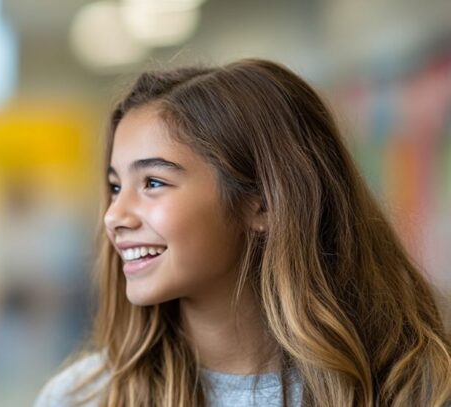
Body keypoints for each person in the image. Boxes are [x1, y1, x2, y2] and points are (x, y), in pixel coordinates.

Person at [36, 59, 451, 406]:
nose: (114, 216)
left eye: (153, 183)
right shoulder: (83, 397)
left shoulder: (419, 388)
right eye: (114, 186)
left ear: (263, 203)